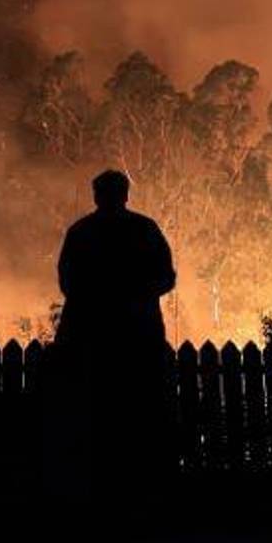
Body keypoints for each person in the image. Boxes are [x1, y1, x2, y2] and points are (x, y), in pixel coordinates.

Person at [48, 169, 176, 504]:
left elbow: (67, 281)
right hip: (138, 340)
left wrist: (98, 299)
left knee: (92, 424)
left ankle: (94, 500)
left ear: (96, 195)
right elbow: (166, 277)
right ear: (125, 194)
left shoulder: (81, 232)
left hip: (89, 342)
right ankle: (139, 497)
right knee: (138, 422)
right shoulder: (144, 230)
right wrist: (134, 296)